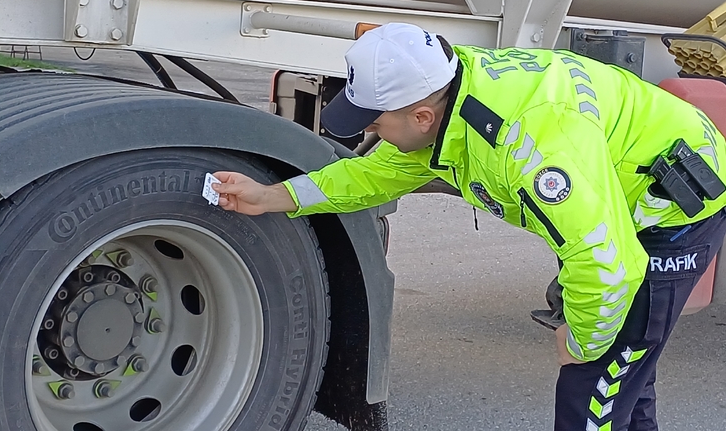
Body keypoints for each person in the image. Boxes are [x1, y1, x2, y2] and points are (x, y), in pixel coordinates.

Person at [212, 23, 726, 430]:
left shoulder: (528, 147)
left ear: (420, 117)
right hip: (617, 197)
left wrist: (583, 341)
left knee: (593, 381)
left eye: (375, 119)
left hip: (673, 208)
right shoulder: (451, 97)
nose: (368, 128)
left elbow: (605, 261)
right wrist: (272, 196)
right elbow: (374, 174)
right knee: (628, 369)